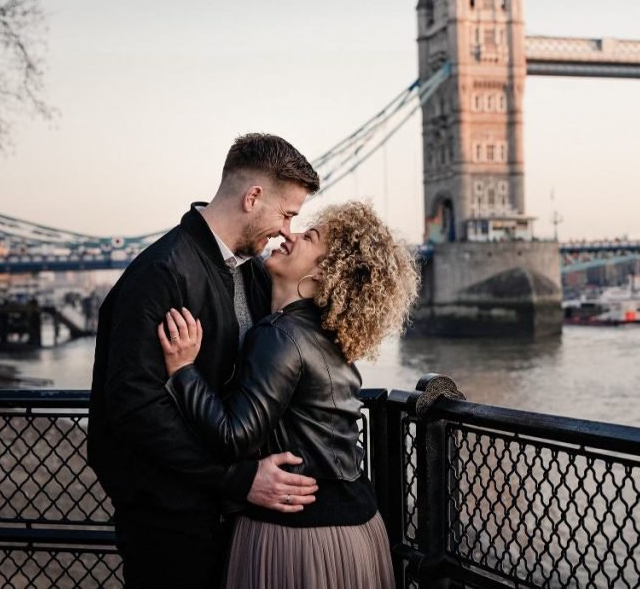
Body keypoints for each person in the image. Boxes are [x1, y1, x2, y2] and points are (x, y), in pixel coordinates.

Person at [88, 134, 323, 588]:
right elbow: (135, 409)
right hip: (168, 517)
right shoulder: (161, 273)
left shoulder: (252, 272)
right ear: (253, 197)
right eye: (287, 214)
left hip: (224, 513)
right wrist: (238, 479)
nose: (288, 231)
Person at [158, 200, 418, 587]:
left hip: (298, 536)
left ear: (320, 275)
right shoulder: (331, 340)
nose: (288, 234)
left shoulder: (279, 335)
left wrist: (183, 372)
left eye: (308, 236)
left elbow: (233, 436)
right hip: (359, 531)